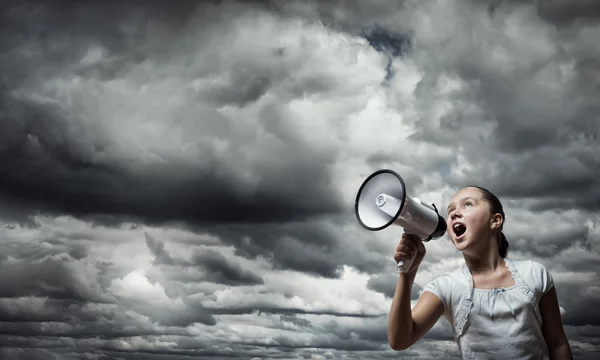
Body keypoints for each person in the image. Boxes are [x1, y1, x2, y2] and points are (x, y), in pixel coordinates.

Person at [387, 185, 573, 359]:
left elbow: (557, 343)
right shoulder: (446, 287)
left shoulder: (534, 273)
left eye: (468, 204)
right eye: (450, 211)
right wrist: (407, 274)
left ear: (495, 220)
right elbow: (400, 340)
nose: (454, 214)